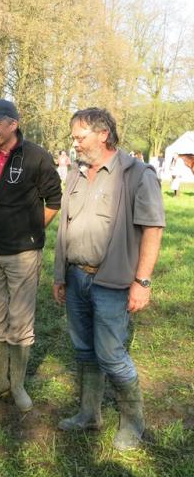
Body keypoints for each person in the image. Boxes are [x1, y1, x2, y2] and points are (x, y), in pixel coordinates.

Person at [53, 108, 165, 451]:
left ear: (103, 134)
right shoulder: (75, 173)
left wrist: (142, 282)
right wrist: (59, 275)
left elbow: (153, 228)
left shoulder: (137, 174)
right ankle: (90, 414)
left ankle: (133, 423)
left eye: (80, 137)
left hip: (113, 284)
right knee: (84, 350)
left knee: (111, 355)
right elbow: (64, 227)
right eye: (73, 137)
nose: (75, 143)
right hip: (75, 278)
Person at [0, 99, 62, 412]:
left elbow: (54, 200)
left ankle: (18, 385)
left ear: (13, 123)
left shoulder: (37, 156)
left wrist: (31, 231)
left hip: (23, 254)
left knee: (21, 322)